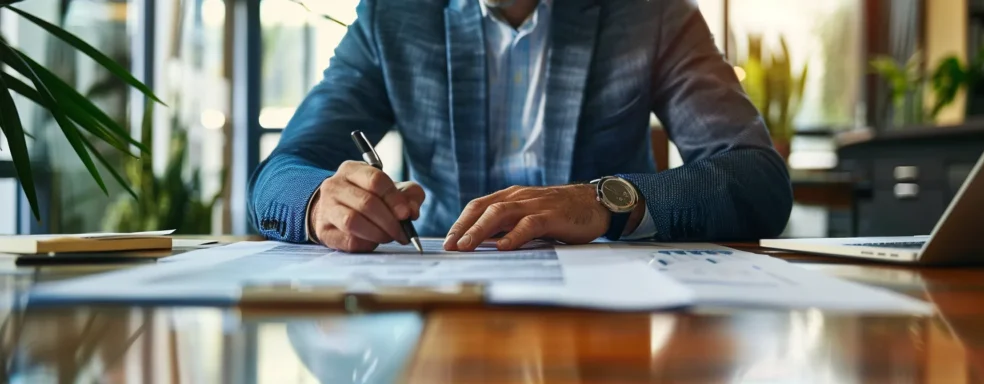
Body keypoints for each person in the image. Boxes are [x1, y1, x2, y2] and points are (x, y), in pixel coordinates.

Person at [248, 0, 793, 253]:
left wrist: (601, 201)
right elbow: (279, 175)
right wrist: (321, 200)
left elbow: (757, 178)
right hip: (439, 299)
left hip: (606, 319)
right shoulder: (394, 18)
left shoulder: (652, 14)